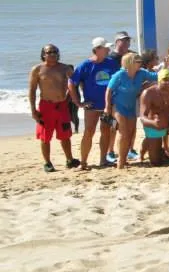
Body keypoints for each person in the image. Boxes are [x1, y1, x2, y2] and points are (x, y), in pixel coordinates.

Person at [68, 37, 120, 169]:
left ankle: (103, 160)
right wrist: (77, 102)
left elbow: (119, 80)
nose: (108, 50)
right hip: (91, 106)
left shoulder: (112, 63)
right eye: (105, 48)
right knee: (89, 131)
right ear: (97, 50)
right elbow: (71, 83)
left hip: (108, 105)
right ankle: (84, 162)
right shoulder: (85, 65)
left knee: (106, 130)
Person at [30, 44, 79, 172]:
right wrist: (33, 110)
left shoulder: (65, 68)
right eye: (49, 52)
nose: (52, 54)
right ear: (43, 54)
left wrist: (70, 99)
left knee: (65, 135)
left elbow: (74, 84)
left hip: (62, 106)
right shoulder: (37, 69)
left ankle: (70, 160)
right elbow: (32, 90)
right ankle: (47, 163)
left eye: (55, 52)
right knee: (45, 136)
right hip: (46, 107)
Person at [104, 52, 157, 169]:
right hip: (118, 107)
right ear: (130, 63)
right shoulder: (119, 75)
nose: (140, 63)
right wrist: (107, 106)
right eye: (138, 62)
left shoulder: (141, 73)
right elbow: (108, 90)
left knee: (131, 133)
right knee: (123, 133)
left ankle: (123, 157)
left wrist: (166, 66)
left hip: (131, 107)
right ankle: (120, 162)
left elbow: (156, 76)